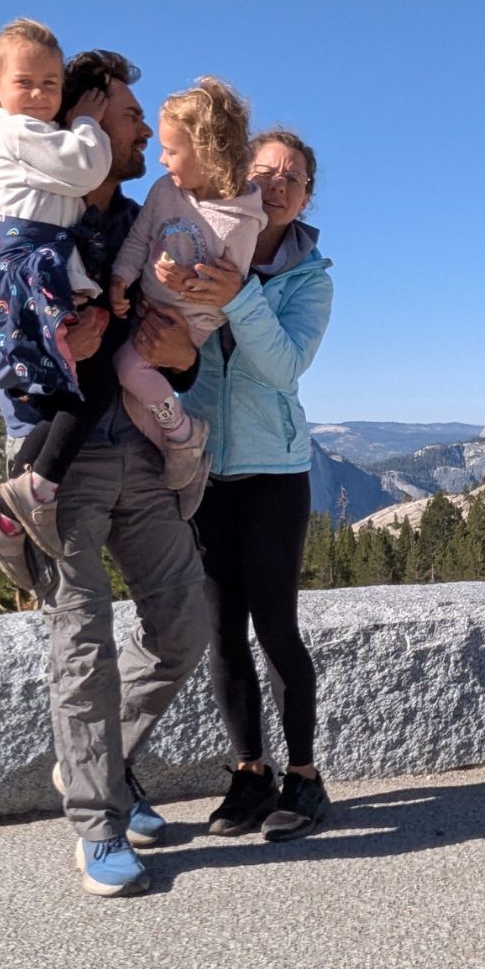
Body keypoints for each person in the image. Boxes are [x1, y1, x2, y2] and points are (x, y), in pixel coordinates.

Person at [0, 48, 209, 898]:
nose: (143, 133)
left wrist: (182, 362)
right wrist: (54, 347)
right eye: (132, 116)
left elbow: (178, 344)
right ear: (90, 118)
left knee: (182, 628)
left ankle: (95, 764)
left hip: (137, 448)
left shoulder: (143, 223)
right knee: (82, 642)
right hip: (62, 462)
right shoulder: (19, 230)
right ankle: (98, 824)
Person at [158, 130, 333, 841]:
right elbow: (173, 354)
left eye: (293, 177)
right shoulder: (198, 244)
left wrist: (240, 298)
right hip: (204, 467)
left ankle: (306, 778)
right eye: (264, 172)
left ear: (307, 196)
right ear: (241, 180)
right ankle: (249, 772)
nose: (277, 184)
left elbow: (284, 368)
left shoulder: (311, 279)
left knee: (277, 629)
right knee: (223, 632)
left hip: (272, 473)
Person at [0, 19, 117, 568]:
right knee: (85, 381)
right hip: (30, 264)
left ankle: (11, 511)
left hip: (43, 261)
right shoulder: (16, 131)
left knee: (70, 388)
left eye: (50, 84)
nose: (38, 95)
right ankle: (26, 498)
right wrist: (86, 122)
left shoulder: (31, 134)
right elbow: (83, 169)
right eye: (26, 82)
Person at [109, 77, 265, 493]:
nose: (162, 160)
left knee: (128, 369)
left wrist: (186, 282)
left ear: (209, 154)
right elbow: (140, 238)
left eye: (171, 151)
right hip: (147, 306)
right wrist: (122, 277)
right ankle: (182, 460)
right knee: (135, 401)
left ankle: (184, 434)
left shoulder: (239, 221)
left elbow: (225, 292)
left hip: (188, 322)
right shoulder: (165, 192)